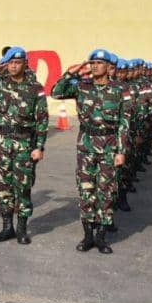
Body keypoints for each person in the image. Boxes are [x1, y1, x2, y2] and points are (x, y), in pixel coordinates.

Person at [52, 49, 130, 254]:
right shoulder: (82, 87)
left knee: (106, 191)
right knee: (86, 190)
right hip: (86, 145)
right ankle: (88, 236)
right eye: (92, 62)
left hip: (110, 146)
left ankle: (101, 237)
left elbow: (124, 123)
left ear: (108, 67)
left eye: (99, 63)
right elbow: (56, 91)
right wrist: (72, 73)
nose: (95, 66)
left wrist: (121, 151)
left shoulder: (119, 89)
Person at [0, 48, 48, 245]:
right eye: (10, 62)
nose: (13, 66)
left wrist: (40, 147)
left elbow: (42, 120)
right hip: (2, 143)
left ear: (25, 64)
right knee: (4, 186)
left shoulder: (35, 88)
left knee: (23, 187)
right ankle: (7, 227)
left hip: (24, 143)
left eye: (17, 62)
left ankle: (21, 229)